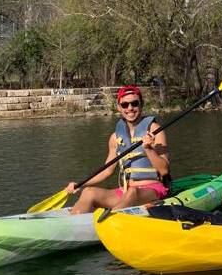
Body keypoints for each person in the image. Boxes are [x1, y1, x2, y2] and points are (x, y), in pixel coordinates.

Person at [66, 85, 170, 214]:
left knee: (133, 192)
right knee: (89, 192)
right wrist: (81, 184)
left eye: (134, 103)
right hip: (125, 191)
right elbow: (107, 171)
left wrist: (148, 148)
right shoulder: (115, 138)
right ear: (119, 107)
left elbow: (164, 170)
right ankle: (75, 224)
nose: (130, 108)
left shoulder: (154, 130)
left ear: (141, 105)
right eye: (125, 105)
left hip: (152, 190)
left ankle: (107, 222)